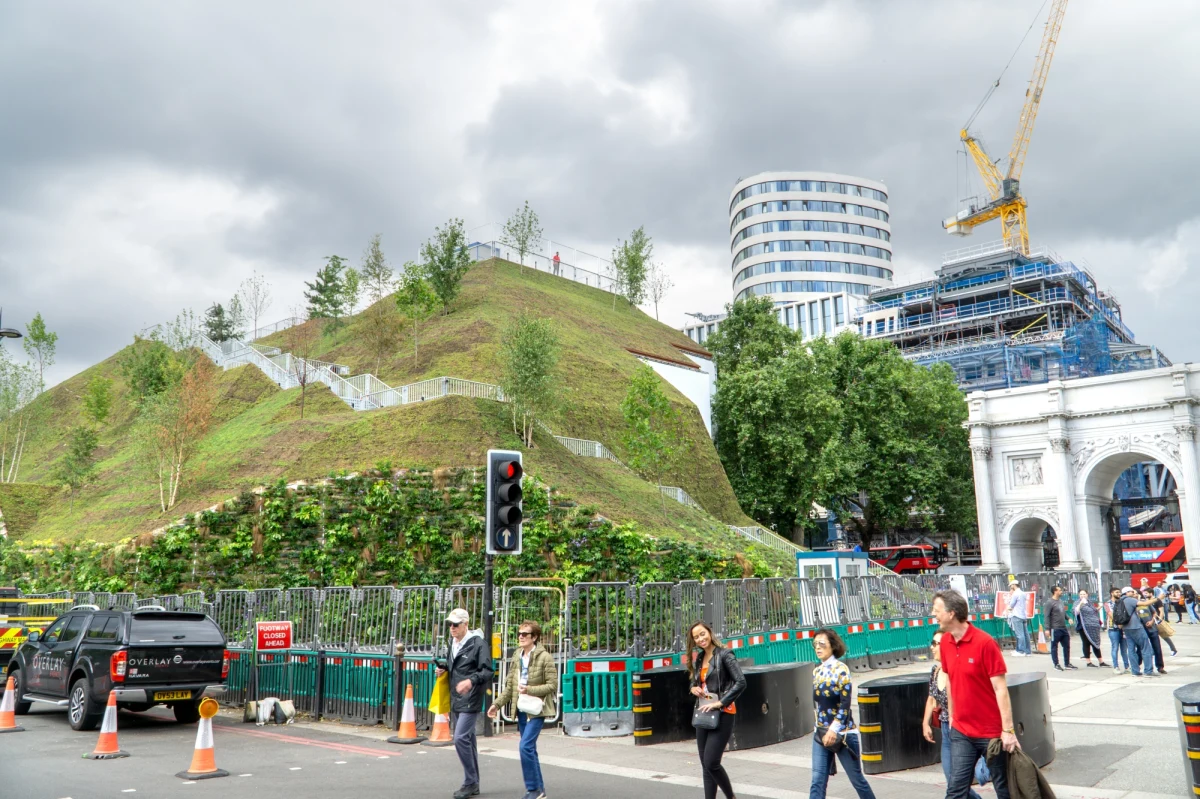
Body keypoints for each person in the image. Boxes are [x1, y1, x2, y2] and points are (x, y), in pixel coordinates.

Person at [933, 589, 1018, 799]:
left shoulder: (985, 643)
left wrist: (1008, 729)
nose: (933, 615)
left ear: (951, 613)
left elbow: (1000, 688)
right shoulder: (945, 643)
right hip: (962, 731)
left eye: (937, 610)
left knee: (1004, 788)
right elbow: (950, 681)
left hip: (991, 732)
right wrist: (952, 717)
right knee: (956, 789)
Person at [489, 620, 557, 799]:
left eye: (525, 634)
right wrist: (496, 704)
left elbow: (552, 685)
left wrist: (529, 690)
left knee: (525, 747)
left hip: (537, 709)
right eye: (519, 634)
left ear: (534, 637)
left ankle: (533, 789)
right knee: (530, 749)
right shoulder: (517, 656)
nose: (520, 637)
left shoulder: (545, 657)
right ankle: (539, 791)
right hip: (521, 708)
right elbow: (510, 686)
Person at [809, 628, 877, 799]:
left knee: (857, 780)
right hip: (821, 733)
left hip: (843, 734)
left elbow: (845, 704)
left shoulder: (842, 669)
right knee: (817, 780)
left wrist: (834, 729)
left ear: (832, 646)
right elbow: (818, 704)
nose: (818, 648)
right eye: (815, 644)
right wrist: (819, 727)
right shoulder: (817, 671)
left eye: (822, 644)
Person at [436, 608, 494, 799]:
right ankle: (473, 783)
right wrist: (444, 668)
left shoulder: (478, 644)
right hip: (456, 696)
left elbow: (487, 671)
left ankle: (470, 782)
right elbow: (456, 666)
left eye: (455, 624)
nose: (451, 628)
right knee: (468, 738)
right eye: (449, 624)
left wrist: (470, 681)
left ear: (466, 624)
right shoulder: (452, 643)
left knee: (460, 737)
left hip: (471, 697)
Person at [686, 621, 746, 799]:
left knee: (711, 762)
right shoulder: (699, 658)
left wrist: (720, 703)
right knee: (705, 765)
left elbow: (741, 682)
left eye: (702, 634)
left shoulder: (725, 655)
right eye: (696, 637)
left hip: (723, 713)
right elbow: (696, 681)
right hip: (703, 712)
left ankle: (731, 797)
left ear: (709, 632)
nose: (700, 639)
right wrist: (693, 688)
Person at [922, 631, 985, 799]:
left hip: (962, 729)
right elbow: (931, 698)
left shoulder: (958, 669)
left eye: (936, 644)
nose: (932, 647)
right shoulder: (935, 671)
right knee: (952, 780)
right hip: (945, 729)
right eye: (932, 643)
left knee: (956, 783)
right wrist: (925, 723)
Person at [1117, 586, 1158, 677]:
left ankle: (1135, 671)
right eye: (1132, 591)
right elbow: (1146, 603)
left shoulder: (1119, 601)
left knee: (1131, 649)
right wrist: (1158, 598)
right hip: (1136, 627)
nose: (1133, 593)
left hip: (1126, 627)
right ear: (1127, 593)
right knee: (1146, 648)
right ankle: (1148, 670)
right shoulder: (1130, 600)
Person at [1044, 586, 1076, 671]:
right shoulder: (1049, 602)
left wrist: (1068, 618)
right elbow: (1046, 616)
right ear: (1055, 592)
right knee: (1054, 646)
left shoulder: (1060, 601)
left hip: (1063, 628)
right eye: (1060, 590)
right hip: (1055, 628)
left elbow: (1063, 612)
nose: (1061, 592)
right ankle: (1056, 664)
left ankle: (1067, 663)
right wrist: (1047, 629)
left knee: (1066, 646)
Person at [1074, 590, 1107, 668]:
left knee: (1095, 643)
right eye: (1081, 594)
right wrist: (1081, 604)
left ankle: (1101, 662)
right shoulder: (1077, 603)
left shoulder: (1090, 602)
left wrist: (1098, 608)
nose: (1082, 595)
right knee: (1086, 643)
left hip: (1094, 626)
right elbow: (1076, 611)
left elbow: (1093, 611)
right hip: (1083, 626)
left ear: (1087, 594)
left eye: (1084, 594)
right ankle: (1088, 662)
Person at [1103, 588, 1130, 674]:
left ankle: (1127, 667)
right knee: (1115, 648)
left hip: (1123, 628)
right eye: (1117, 592)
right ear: (1112, 593)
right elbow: (1110, 614)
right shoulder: (1107, 603)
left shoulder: (1122, 602)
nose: (1119, 594)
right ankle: (1116, 666)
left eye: (1119, 592)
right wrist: (1119, 623)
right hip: (1113, 628)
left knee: (1124, 649)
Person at [1003, 579, 1031, 657]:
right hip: (1023, 615)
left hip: (1016, 615)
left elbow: (1011, 605)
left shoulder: (1015, 594)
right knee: (1025, 634)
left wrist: (1007, 610)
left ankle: (1021, 651)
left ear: (1014, 585)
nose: (1010, 587)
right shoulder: (1023, 593)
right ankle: (1027, 651)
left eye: (1011, 586)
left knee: (1019, 634)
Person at [1148, 588, 1179, 658]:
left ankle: (1173, 649)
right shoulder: (1147, 601)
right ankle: (1153, 651)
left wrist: (1160, 620)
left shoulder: (1157, 601)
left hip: (1157, 621)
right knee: (1153, 637)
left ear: (1151, 593)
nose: (1145, 594)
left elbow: (1161, 611)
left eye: (1146, 593)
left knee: (1164, 636)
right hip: (1151, 621)